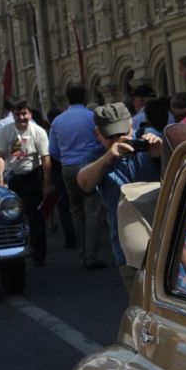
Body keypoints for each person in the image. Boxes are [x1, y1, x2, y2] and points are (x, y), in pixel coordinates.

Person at [75, 104, 165, 276]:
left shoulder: (148, 141)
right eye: (111, 135)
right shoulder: (96, 156)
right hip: (127, 248)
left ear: (131, 125)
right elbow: (84, 184)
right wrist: (107, 158)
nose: (119, 140)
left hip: (165, 239)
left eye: (123, 133)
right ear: (98, 134)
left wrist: (162, 153)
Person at [51, 83, 108, 270]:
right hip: (89, 165)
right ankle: (91, 256)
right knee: (92, 211)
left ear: (67, 98)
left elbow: (53, 151)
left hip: (68, 167)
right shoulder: (92, 117)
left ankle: (83, 252)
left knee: (76, 210)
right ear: (85, 97)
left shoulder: (58, 121)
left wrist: (67, 159)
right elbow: (102, 140)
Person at [0, 100, 53, 268]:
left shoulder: (38, 132)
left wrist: (47, 184)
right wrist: (1, 182)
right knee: (12, 216)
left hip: (32, 176)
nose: (21, 117)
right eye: (18, 114)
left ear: (30, 114)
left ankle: (39, 254)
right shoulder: (5, 131)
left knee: (36, 218)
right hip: (14, 178)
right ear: (13, 115)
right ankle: (14, 252)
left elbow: (46, 158)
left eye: (24, 113)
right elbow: (0, 156)